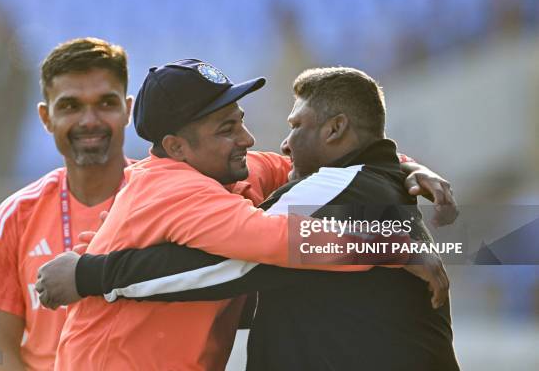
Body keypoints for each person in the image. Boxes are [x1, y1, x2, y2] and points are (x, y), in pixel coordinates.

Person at [43, 59, 456, 370]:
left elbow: (347, 162)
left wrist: (406, 166)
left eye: (239, 120)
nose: (248, 138)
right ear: (177, 147)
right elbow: (277, 243)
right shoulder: (178, 191)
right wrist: (395, 250)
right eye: (226, 129)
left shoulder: (226, 167)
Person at [0, 37, 133, 370]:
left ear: (128, 110)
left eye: (105, 103)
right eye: (71, 106)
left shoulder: (164, 199)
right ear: (46, 117)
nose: (90, 120)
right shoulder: (15, 216)